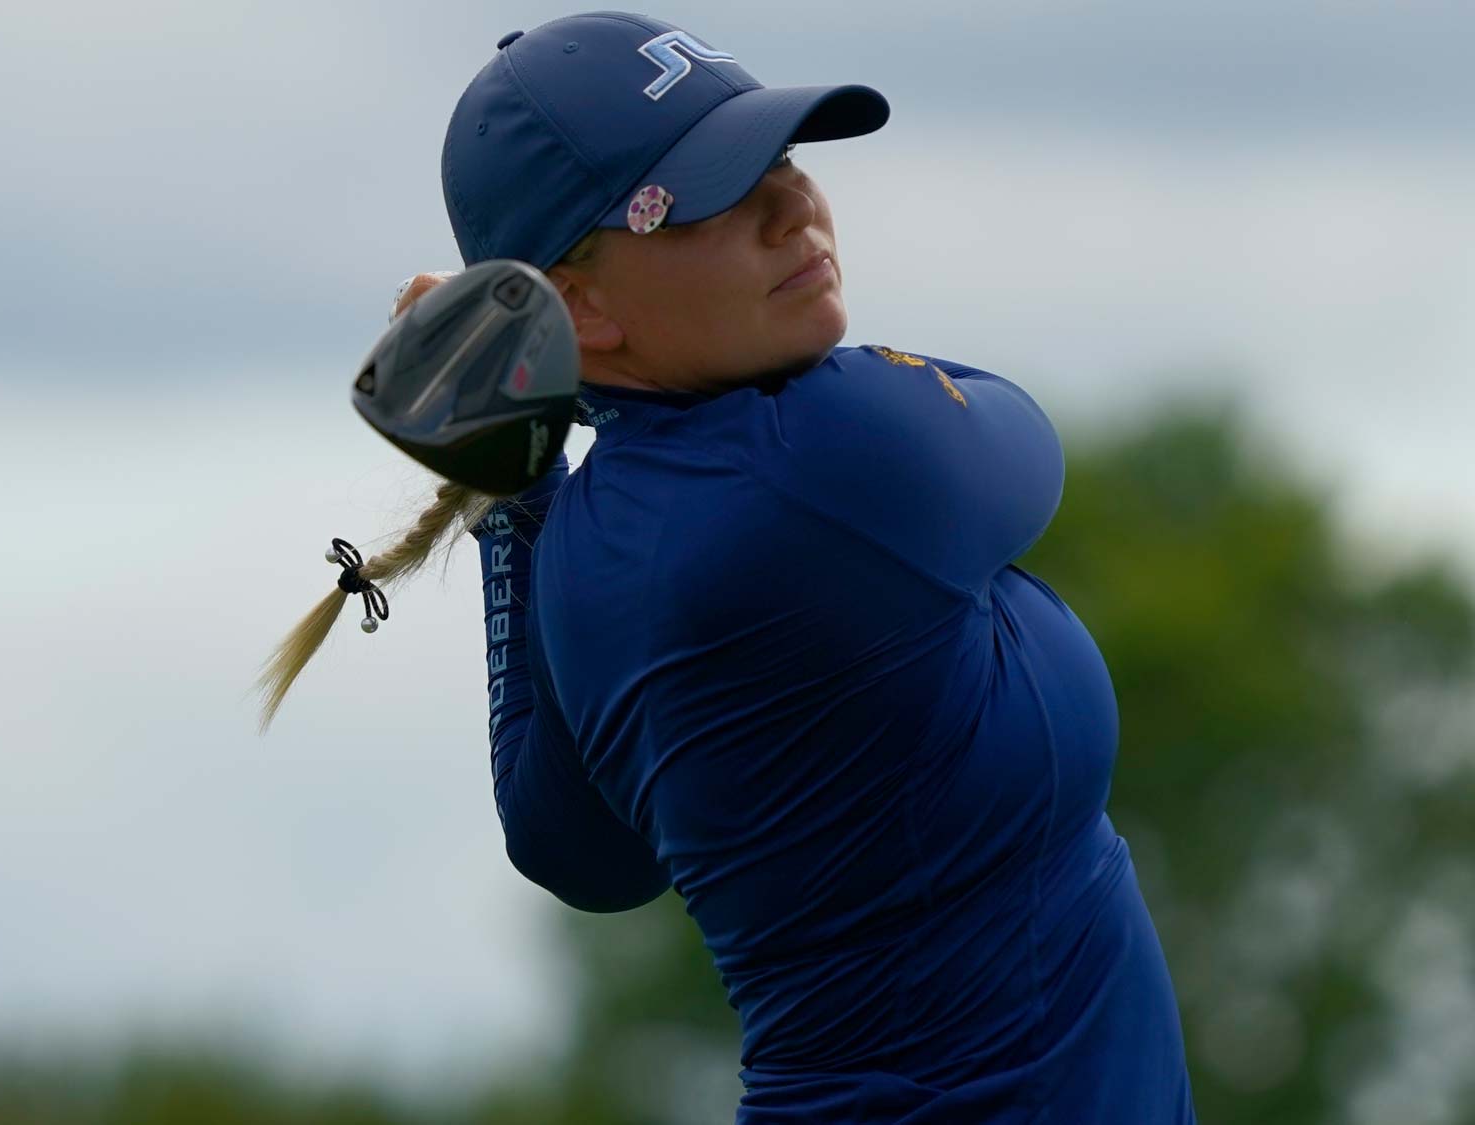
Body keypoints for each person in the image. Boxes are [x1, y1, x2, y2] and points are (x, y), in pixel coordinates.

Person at [261, 12, 1196, 1123]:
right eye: (706, 193)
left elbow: (574, 851)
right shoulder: (829, 453)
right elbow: (1024, 444)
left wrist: (521, 497)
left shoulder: (590, 534)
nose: (789, 206)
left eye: (780, 157)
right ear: (581, 307)